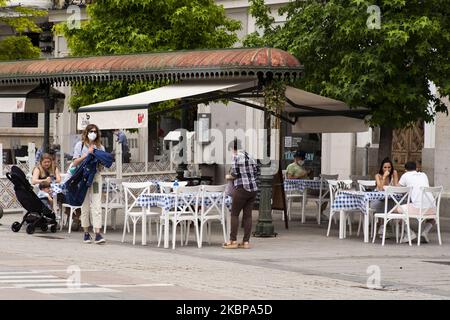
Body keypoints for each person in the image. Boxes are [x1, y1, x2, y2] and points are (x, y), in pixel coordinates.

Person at [72, 124, 106, 244]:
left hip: (95, 176)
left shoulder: (100, 147)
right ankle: (86, 232)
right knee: (85, 205)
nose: (93, 133)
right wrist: (87, 155)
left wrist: (101, 160)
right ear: (86, 132)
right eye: (91, 131)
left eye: (95, 131)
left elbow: (102, 167)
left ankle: (97, 233)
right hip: (83, 177)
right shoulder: (80, 145)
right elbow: (75, 162)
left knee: (97, 205)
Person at [222, 140, 259, 249]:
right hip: (253, 189)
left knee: (234, 214)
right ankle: (246, 242)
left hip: (242, 189)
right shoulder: (250, 156)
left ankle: (233, 241)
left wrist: (228, 176)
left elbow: (234, 174)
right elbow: (257, 171)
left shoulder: (236, 156)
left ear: (233, 149)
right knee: (247, 216)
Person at [398, 161, 435, 243]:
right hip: (432, 208)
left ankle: (409, 233)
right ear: (416, 168)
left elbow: (398, 189)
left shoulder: (405, 175)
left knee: (396, 212)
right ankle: (424, 233)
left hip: (418, 208)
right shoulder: (423, 175)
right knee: (432, 219)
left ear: (405, 170)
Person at [372, 157, 399, 237]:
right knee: (385, 204)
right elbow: (380, 189)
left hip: (390, 199)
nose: (387, 169)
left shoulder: (394, 173)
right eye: (385, 167)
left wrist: (393, 176)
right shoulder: (378, 175)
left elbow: (395, 187)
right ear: (382, 168)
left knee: (393, 203)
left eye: (389, 167)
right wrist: (384, 177)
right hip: (377, 200)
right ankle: (383, 227)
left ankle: (383, 227)